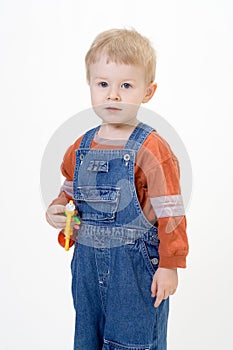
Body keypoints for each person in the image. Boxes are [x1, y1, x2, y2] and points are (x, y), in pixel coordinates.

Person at [46, 28, 189, 350]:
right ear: (91, 86)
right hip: (86, 266)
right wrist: (57, 208)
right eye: (103, 84)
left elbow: (171, 213)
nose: (113, 95)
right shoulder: (80, 147)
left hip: (135, 271)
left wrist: (169, 265)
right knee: (88, 338)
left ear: (147, 91)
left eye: (126, 85)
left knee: (131, 341)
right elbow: (69, 191)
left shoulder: (152, 149)